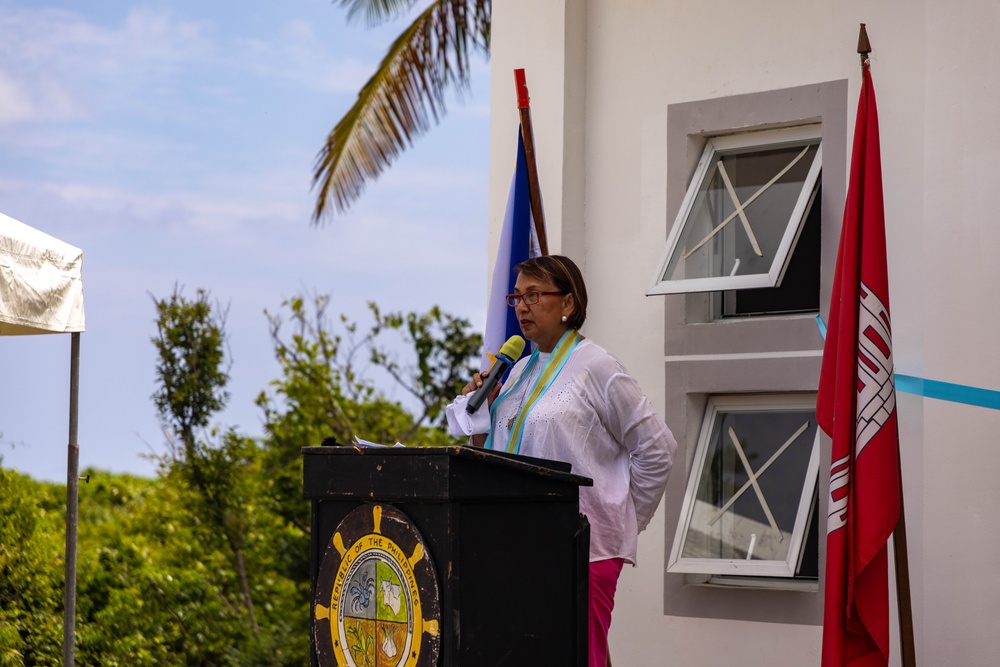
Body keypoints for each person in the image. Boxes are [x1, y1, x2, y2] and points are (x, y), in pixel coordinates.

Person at [446, 254, 677, 667]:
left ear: (568, 303)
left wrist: (619, 518)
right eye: (516, 296)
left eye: (534, 294)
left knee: (577, 656)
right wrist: (483, 411)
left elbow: (657, 448)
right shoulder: (515, 373)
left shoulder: (599, 367)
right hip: (515, 548)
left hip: (580, 551)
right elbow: (495, 456)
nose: (521, 305)